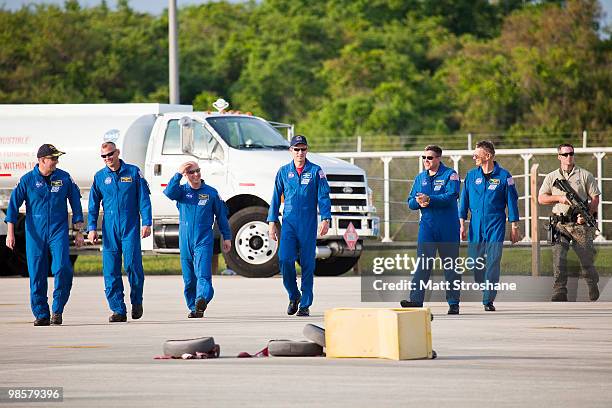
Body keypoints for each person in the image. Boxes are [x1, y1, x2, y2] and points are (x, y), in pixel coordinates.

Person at [5, 144, 84, 326]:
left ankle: (57, 310)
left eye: (57, 158)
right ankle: (41, 314)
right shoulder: (27, 180)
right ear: (42, 160)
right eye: (53, 158)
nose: (56, 162)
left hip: (58, 230)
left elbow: (76, 205)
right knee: (37, 273)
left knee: (63, 268)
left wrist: (79, 231)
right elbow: (12, 206)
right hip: (35, 233)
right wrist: (10, 233)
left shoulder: (64, 178)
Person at [267, 135, 331, 317]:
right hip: (288, 224)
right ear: (291, 151)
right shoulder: (283, 172)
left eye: (303, 149)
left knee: (307, 264)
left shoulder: (316, 171)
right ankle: (294, 295)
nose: (300, 153)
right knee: (284, 260)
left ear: (307, 150)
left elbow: (324, 196)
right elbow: (274, 197)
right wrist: (272, 222)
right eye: (296, 149)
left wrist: (325, 218)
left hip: (308, 224)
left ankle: (305, 304)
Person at [88, 142, 152, 322]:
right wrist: (91, 228)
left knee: (132, 265)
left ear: (117, 153)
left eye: (110, 154)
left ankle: (137, 301)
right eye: (103, 156)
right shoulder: (100, 177)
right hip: (110, 228)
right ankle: (118, 310)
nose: (107, 158)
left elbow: (144, 199)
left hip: (130, 225)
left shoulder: (133, 172)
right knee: (110, 270)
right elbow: (93, 205)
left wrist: (146, 222)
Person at [163, 161, 232, 318]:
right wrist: (178, 174)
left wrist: (226, 237)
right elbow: (168, 193)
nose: (196, 175)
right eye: (191, 172)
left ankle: (202, 299)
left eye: (198, 171)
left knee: (203, 275)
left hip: (203, 240)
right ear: (186, 175)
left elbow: (222, 217)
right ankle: (195, 308)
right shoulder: (180, 192)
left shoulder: (211, 193)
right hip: (185, 241)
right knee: (189, 279)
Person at [400, 145, 462, 314]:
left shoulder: (451, 175)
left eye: (430, 158)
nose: (426, 161)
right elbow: (410, 202)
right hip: (427, 227)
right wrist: (418, 202)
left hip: (448, 227)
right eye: (424, 158)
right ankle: (416, 300)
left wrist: (430, 199)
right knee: (422, 264)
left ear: (438, 158)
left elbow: (451, 196)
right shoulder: (420, 178)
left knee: (450, 266)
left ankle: (453, 302)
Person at [459, 140, 520, 311]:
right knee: (473, 263)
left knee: (493, 261)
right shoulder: (471, 176)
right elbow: (463, 201)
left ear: (488, 156)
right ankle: (484, 284)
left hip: (496, 223)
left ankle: (488, 300)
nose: (474, 157)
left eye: (477, 154)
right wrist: (462, 224)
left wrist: (514, 226)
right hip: (475, 223)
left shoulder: (504, 176)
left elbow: (512, 202)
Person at [538, 143, 600, 301]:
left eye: (571, 153)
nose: (569, 157)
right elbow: (541, 198)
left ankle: (592, 283)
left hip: (580, 225)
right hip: (560, 224)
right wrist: (559, 198)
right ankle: (559, 290)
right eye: (565, 154)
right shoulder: (552, 177)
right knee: (559, 257)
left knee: (586, 258)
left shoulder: (585, 175)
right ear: (559, 156)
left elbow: (595, 198)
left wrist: (587, 215)